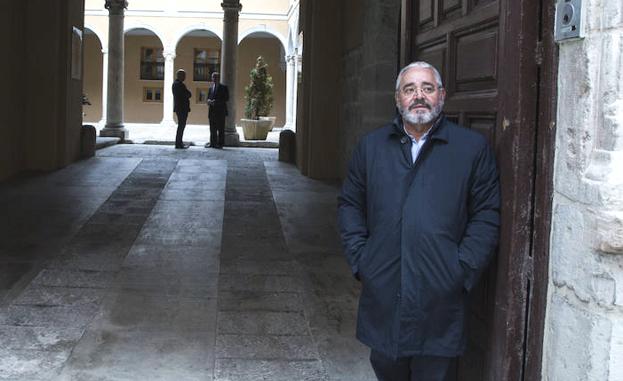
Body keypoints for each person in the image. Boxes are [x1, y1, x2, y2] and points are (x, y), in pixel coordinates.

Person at [337, 61, 500, 381]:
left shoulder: (470, 148)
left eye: (427, 88)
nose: (418, 96)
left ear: (442, 95)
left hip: (439, 296)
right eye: (409, 89)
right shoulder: (371, 147)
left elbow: (486, 214)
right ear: (397, 98)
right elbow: (350, 205)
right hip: (385, 290)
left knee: (435, 373)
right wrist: (361, 258)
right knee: (386, 368)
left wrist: (461, 268)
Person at [207, 71, 229, 148]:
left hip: (220, 111)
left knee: (220, 129)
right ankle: (212, 143)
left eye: (216, 77)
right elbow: (208, 98)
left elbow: (226, 98)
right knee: (212, 129)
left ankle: (220, 144)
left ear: (219, 78)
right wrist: (208, 101)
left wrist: (215, 102)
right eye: (213, 77)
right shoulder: (210, 88)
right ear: (211, 78)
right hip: (212, 112)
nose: (214, 79)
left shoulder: (224, 88)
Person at [172, 69, 191, 149]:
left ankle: (179, 143)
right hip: (182, 108)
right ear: (179, 76)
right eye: (183, 75)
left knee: (181, 126)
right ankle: (179, 144)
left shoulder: (175, 84)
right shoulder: (179, 85)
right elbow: (188, 94)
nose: (185, 77)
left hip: (180, 108)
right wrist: (187, 94)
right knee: (181, 126)